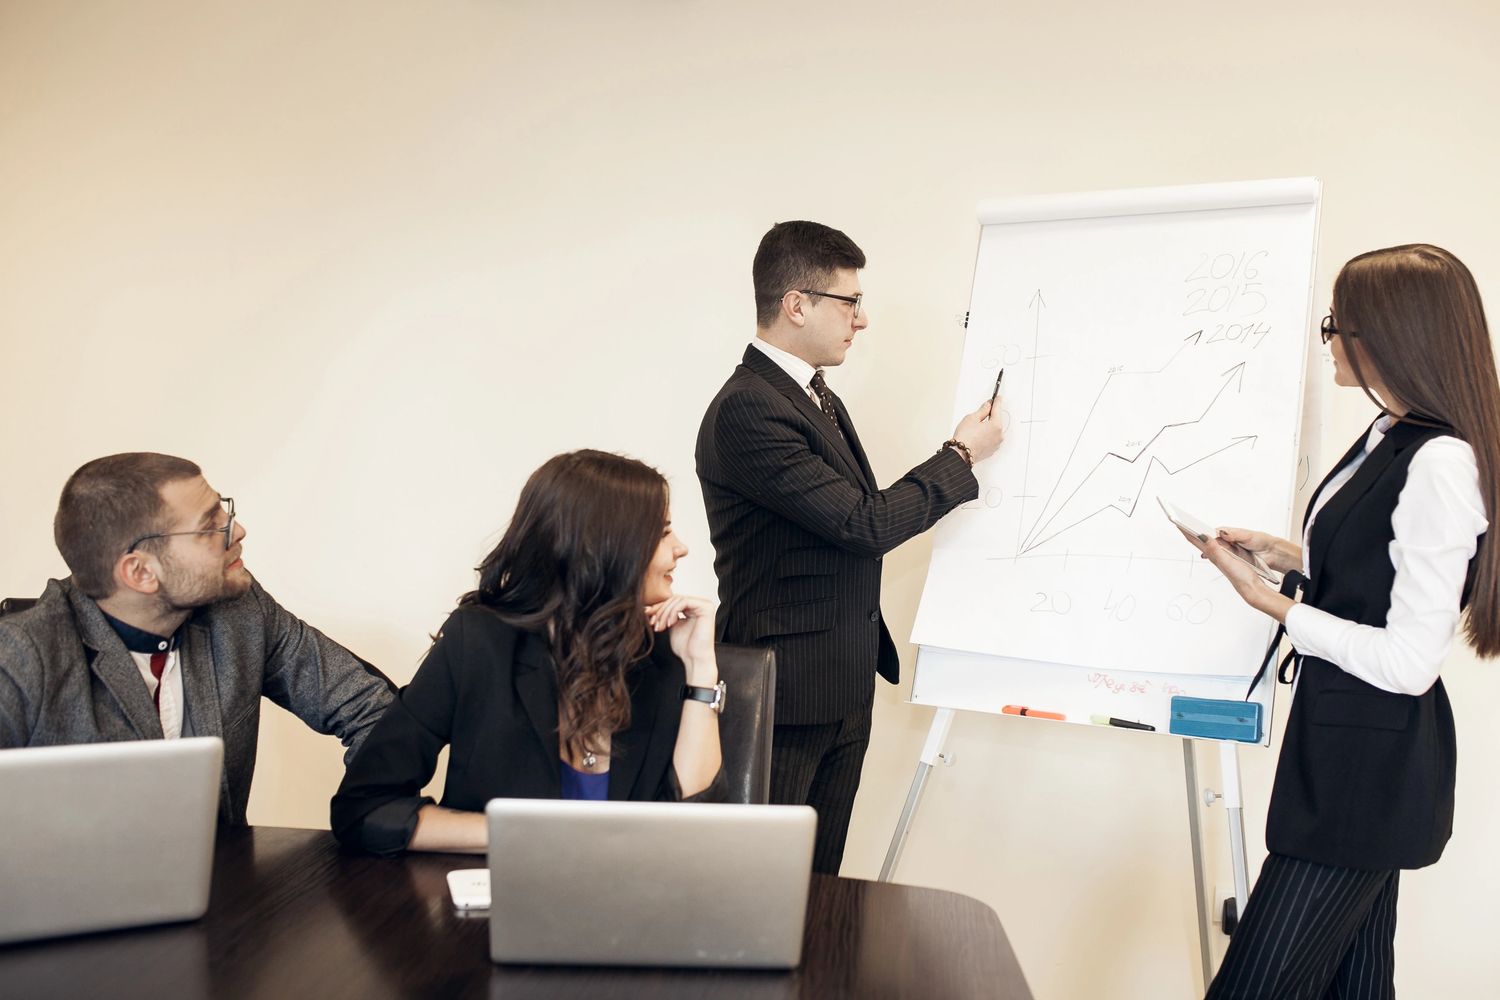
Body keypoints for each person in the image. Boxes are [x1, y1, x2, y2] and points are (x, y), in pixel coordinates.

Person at [1177, 245, 1500, 1000]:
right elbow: (1380, 572)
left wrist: (1278, 606)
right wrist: (1290, 559)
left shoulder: (1441, 460)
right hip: (1346, 750)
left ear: (1387, 334)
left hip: (1369, 771)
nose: (1327, 341)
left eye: (1336, 325)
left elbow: (1408, 660)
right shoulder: (1390, 432)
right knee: (1356, 987)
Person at [695, 220, 1005, 874]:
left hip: (838, 688)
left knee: (819, 888)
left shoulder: (810, 395)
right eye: (850, 302)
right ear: (797, 304)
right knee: (761, 891)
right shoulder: (749, 408)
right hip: (784, 697)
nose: (860, 321)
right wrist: (959, 455)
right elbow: (863, 524)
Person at [331, 450, 725, 856]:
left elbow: (699, 832)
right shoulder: (477, 644)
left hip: (632, 909)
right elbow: (364, 808)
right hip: (498, 908)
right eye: (662, 533)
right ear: (605, 546)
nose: (681, 549)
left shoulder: (660, 650)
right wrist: (518, 835)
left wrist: (700, 670)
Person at [0, 452, 394, 824]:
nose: (237, 531)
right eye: (210, 527)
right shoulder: (20, 658)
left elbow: (372, 709)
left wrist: (369, 815)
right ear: (140, 572)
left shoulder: (240, 611)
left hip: (225, 886)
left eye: (226, 511)